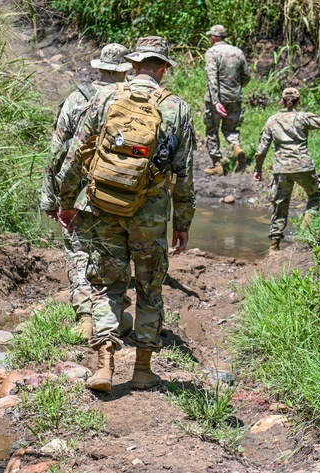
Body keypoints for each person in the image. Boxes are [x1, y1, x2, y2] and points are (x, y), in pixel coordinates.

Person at [56, 36, 196, 392]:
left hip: (103, 205)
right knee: (150, 288)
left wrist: (68, 199)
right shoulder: (177, 107)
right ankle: (143, 370)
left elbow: (76, 153)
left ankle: (104, 366)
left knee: (107, 285)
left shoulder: (105, 96)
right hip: (150, 213)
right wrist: (182, 222)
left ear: (132, 66)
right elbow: (183, 173)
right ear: (163, 68)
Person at [41, 44, 134, 340]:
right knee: (116, 251)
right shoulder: (134, 98)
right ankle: (114, 315)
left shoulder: (77, 99)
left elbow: (58, 149)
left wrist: (52, 197)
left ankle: (85, 317)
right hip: (120, 188)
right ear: (125, 69)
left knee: (80, 251)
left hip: (79, 186)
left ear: (100, 67)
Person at [253, 87, 320, 252]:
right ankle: (305, 232)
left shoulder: (272, 120)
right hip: (303, 167)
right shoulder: (302, 117)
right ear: (299, 102)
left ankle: (274, 246)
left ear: (281, 101)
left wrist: (258, 169)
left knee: (280, 205)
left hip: (281, 170)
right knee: (315, 196)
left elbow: (261, 150)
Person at [203, 24, 251, 176]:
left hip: (215, 99)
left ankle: (217, 165)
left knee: (212, 130)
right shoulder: (237, 52)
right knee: (230, 128)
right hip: (234, 97)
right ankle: (237, 148)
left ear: (213, 38)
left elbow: (212, 79)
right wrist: (236, 89)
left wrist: (216, 101)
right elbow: (246, 76)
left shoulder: (212, 52)